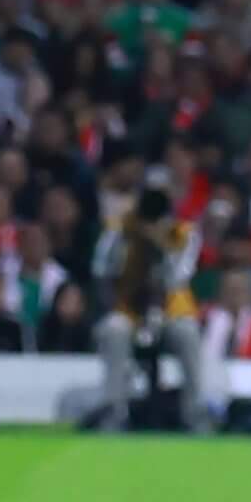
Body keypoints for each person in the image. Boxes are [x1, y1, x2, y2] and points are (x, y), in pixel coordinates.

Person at [92, 184, 208, 432]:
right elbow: (101, 271)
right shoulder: (118, 230)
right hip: (129, 310)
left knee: (188, 332)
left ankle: (193, 412)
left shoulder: (184, 234)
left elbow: (177, 278)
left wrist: (158, 247)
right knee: (114, 329)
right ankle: (113, 411)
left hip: (171, 310)